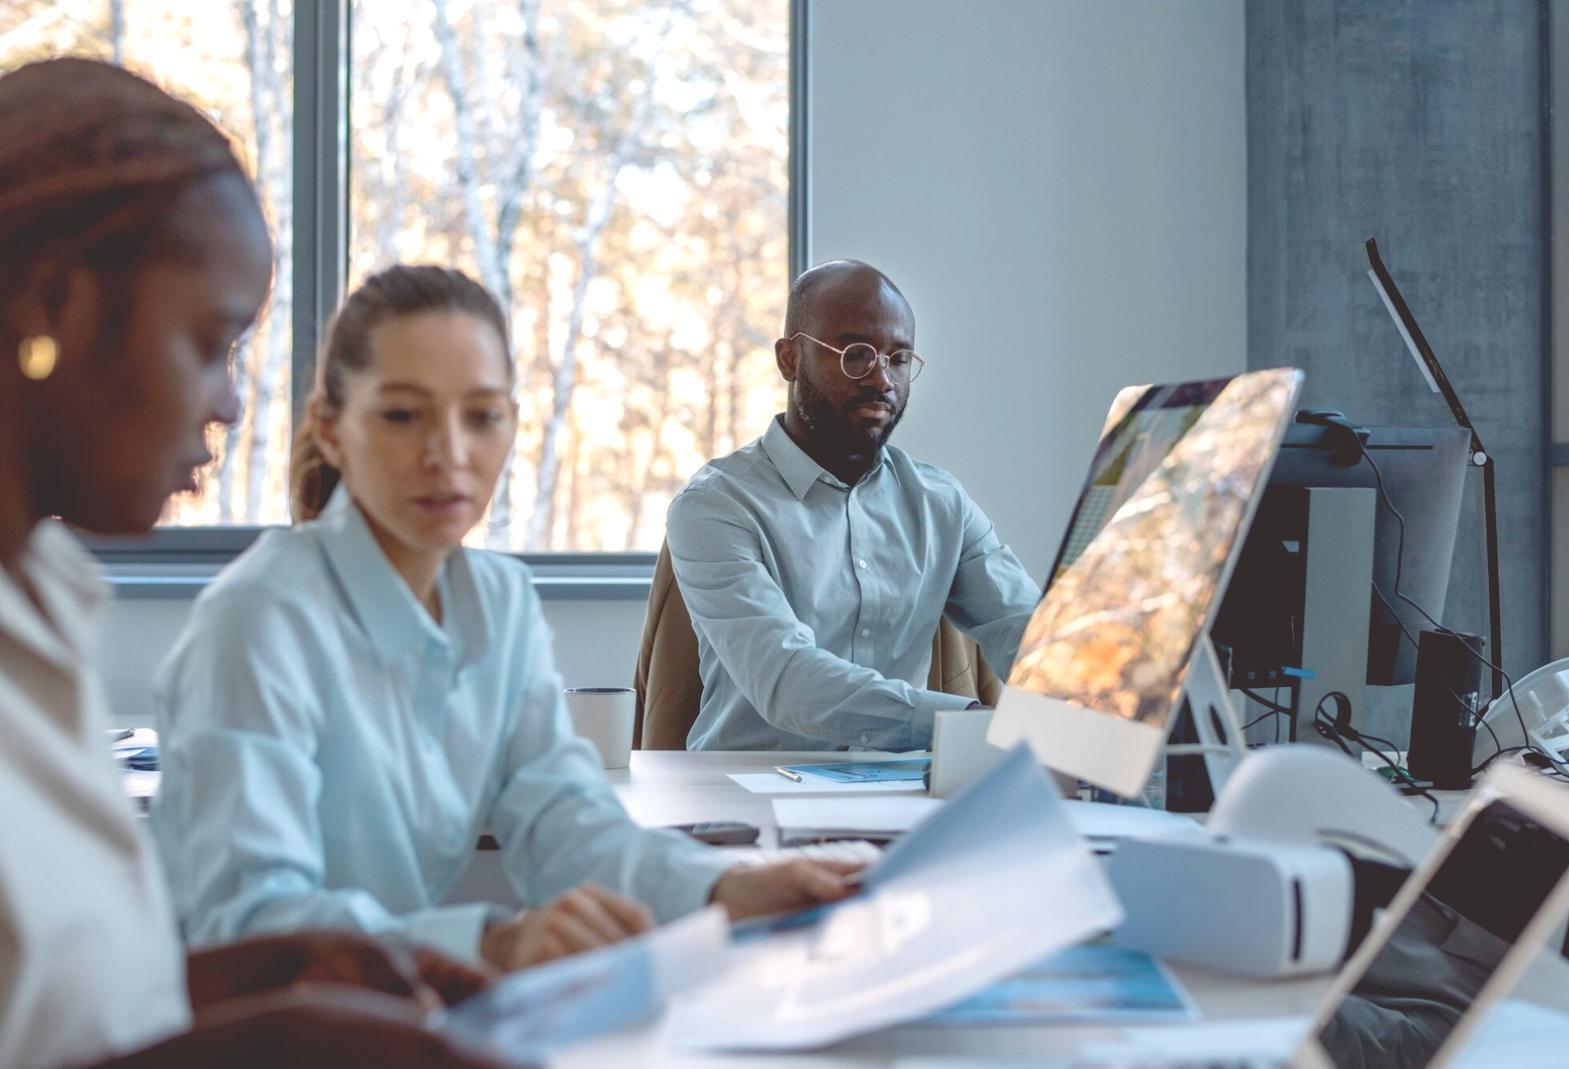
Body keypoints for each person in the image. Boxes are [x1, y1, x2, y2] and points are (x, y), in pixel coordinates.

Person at [0, 57, 513, 1069]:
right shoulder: (251, 610)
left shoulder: (43, 595)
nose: (231, 403)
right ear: (53, 305)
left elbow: (46, 1002)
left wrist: (248, 982)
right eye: (212, 341)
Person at [150, 264, 858, 973]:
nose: (448, 455)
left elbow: (566, 822)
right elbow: (246, 919)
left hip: (392, 1017)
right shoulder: (258, 618)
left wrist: (726, 888)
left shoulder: (498, 601)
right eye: (402, 415)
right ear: (331, 433)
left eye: (482, 416)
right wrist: (489, 943)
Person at [667, 260, 1041, 750]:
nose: (882, 379)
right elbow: (788, 682)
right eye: (856, 354)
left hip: (899, 798)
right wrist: (975, 724)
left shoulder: (941, 503)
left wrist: (1117, 702)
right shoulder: (716, 505)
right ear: (789, 360)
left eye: (899, 357)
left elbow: (1031, 637)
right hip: (748, 801)